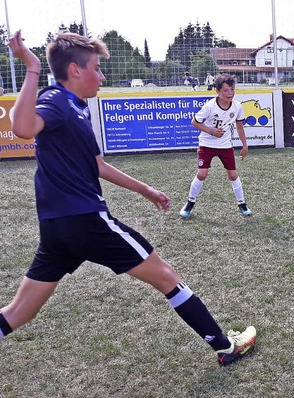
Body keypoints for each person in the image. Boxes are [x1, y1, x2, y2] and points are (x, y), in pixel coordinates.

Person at [0, 30, 256, 366]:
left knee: (18, 312)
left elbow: (98, 165)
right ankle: (226, 347)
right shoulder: (57, 100)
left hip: (57, 228)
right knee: (167, 276)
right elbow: (22, 127)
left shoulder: (77, 108)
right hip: (86, 220)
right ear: (75, 70)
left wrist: (145, 190)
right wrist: (31, 66)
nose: (102, 76)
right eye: (96, 68)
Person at [180, 73, 252, 218]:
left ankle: (242, 204)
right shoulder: (210, 106)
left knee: (233, 174)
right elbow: (194, 122)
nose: (230, 93)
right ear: (217, 91)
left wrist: (245, 145)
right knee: (202, 174)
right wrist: (211, 131)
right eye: (225, 90)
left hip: (225, 145)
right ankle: (189, 203)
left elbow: (239, 126)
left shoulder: (237, 106)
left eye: (232, 89)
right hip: (207, 144)